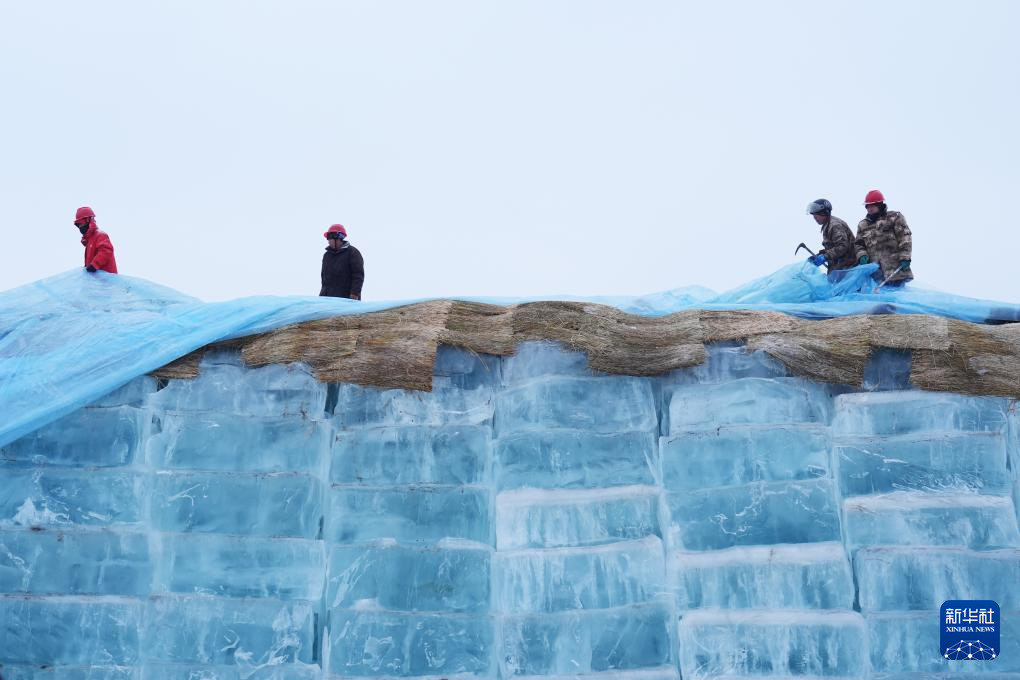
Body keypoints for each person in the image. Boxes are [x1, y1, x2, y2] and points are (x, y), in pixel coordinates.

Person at [854, 189, 913, 286]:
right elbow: (858, 244)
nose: (870, 208)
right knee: (878, 300)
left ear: (880, 204)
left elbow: (905, 237)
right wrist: (862, 255)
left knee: (895, 298)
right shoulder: (863, 225)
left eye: (872, 205)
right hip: (875, 273)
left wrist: (905, 257)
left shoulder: (894, 217)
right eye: (868, 206)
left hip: (895, 269)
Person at [805, 198, 855, 272]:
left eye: (816, 215)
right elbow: (832, 247)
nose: (814, 218)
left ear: (824, 213)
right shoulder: (827, 225)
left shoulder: (835, 225)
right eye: (813, 215)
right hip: (840, 270)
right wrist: (818, 255)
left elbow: (842, 247)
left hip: (848, 269)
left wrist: (825, 256)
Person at [319, 224, 364, 299]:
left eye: (330, 238)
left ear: (338, 238)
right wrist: (322, 296)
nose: (328, 241)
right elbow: (324, 280)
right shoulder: (327, 256)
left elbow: (358, 275)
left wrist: (354, 293)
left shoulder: (352, 253)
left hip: (347, 299)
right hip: (328, 299)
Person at [74, 206, 118, 274]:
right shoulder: (90, 240)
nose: (80, 227)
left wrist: (94, 265)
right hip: (97, 282)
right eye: (78, 225)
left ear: (88, 220)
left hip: (107, 281)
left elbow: (106, 251)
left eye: (81, 224)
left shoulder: (100, 235)